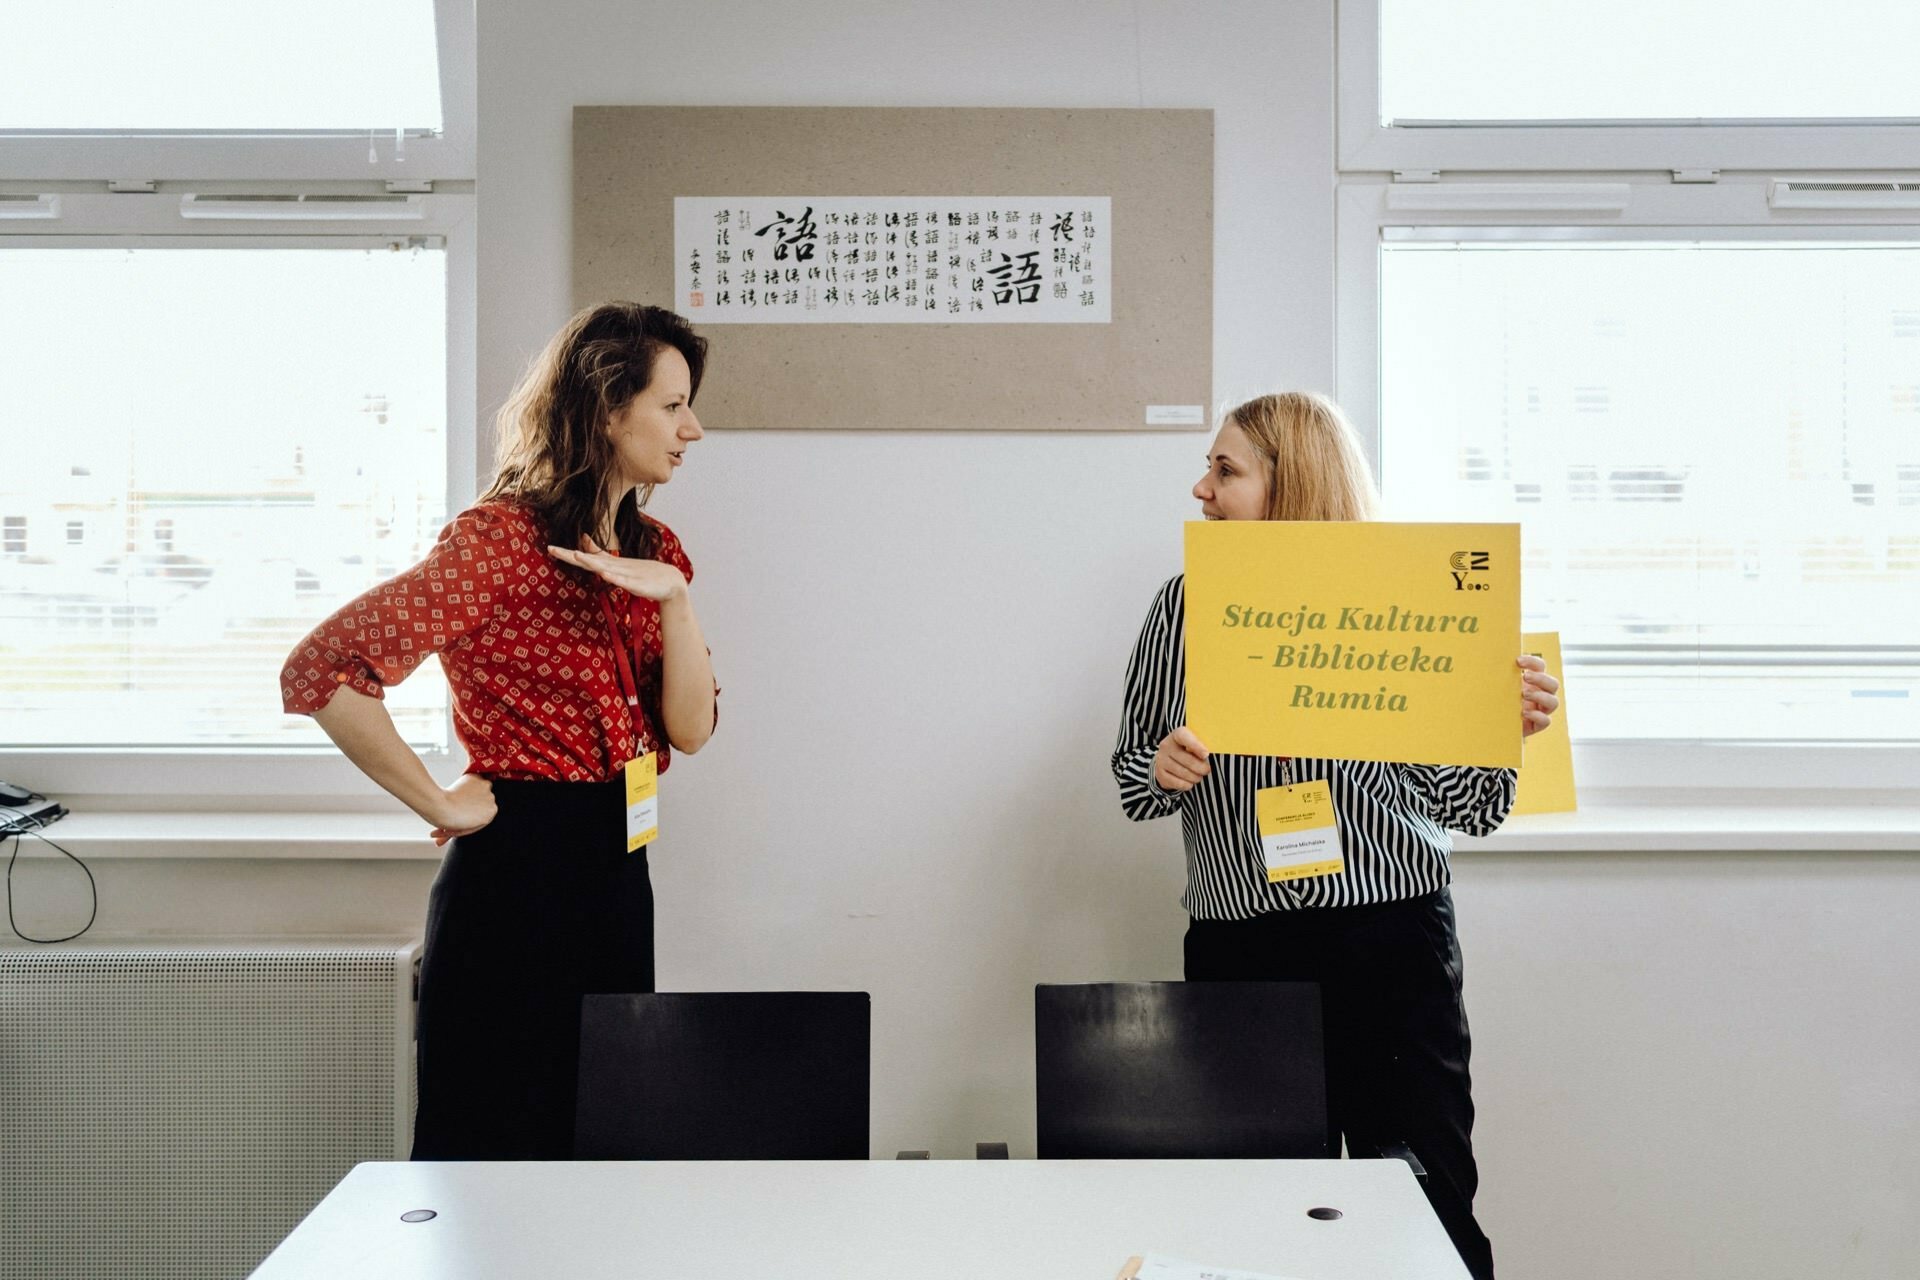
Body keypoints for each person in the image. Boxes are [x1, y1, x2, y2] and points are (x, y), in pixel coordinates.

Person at [1111, 391, 1558, 1280]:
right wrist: (1162, 767)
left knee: (1424, 1201)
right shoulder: (1185, 605)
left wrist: (1499, 724)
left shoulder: (1418, 595)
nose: (1202, 489)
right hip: (1246, 948)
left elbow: (1470, 809)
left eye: (1225, 469)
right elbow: (1132, 782)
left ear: (1292, 480)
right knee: (1251, 1208)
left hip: (1391, 939)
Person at [280, 302, 719, 1159]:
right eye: (672, 406)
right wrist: (440, 799)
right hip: (517, 874)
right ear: (605, 407)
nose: (692, 430)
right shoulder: (500, 544)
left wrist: (673, 595)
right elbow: (320, 671)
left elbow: (692, 730)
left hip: (619, 864)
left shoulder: (653, 547)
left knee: (610, 1136)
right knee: (492, 1143)